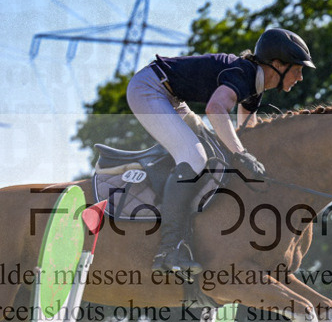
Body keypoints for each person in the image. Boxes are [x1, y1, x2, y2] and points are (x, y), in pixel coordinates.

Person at [126, 28, 315, 275]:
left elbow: (247, 134)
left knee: (217, 155)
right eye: (297, 68)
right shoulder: (244, 74)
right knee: (194, 157)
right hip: (149, 89)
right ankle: (168, 248)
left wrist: (264, 162)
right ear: (277, 65)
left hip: (171, 97)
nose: (300, 76)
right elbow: (216, 109)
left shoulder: (254, 86)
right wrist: (240, 152)